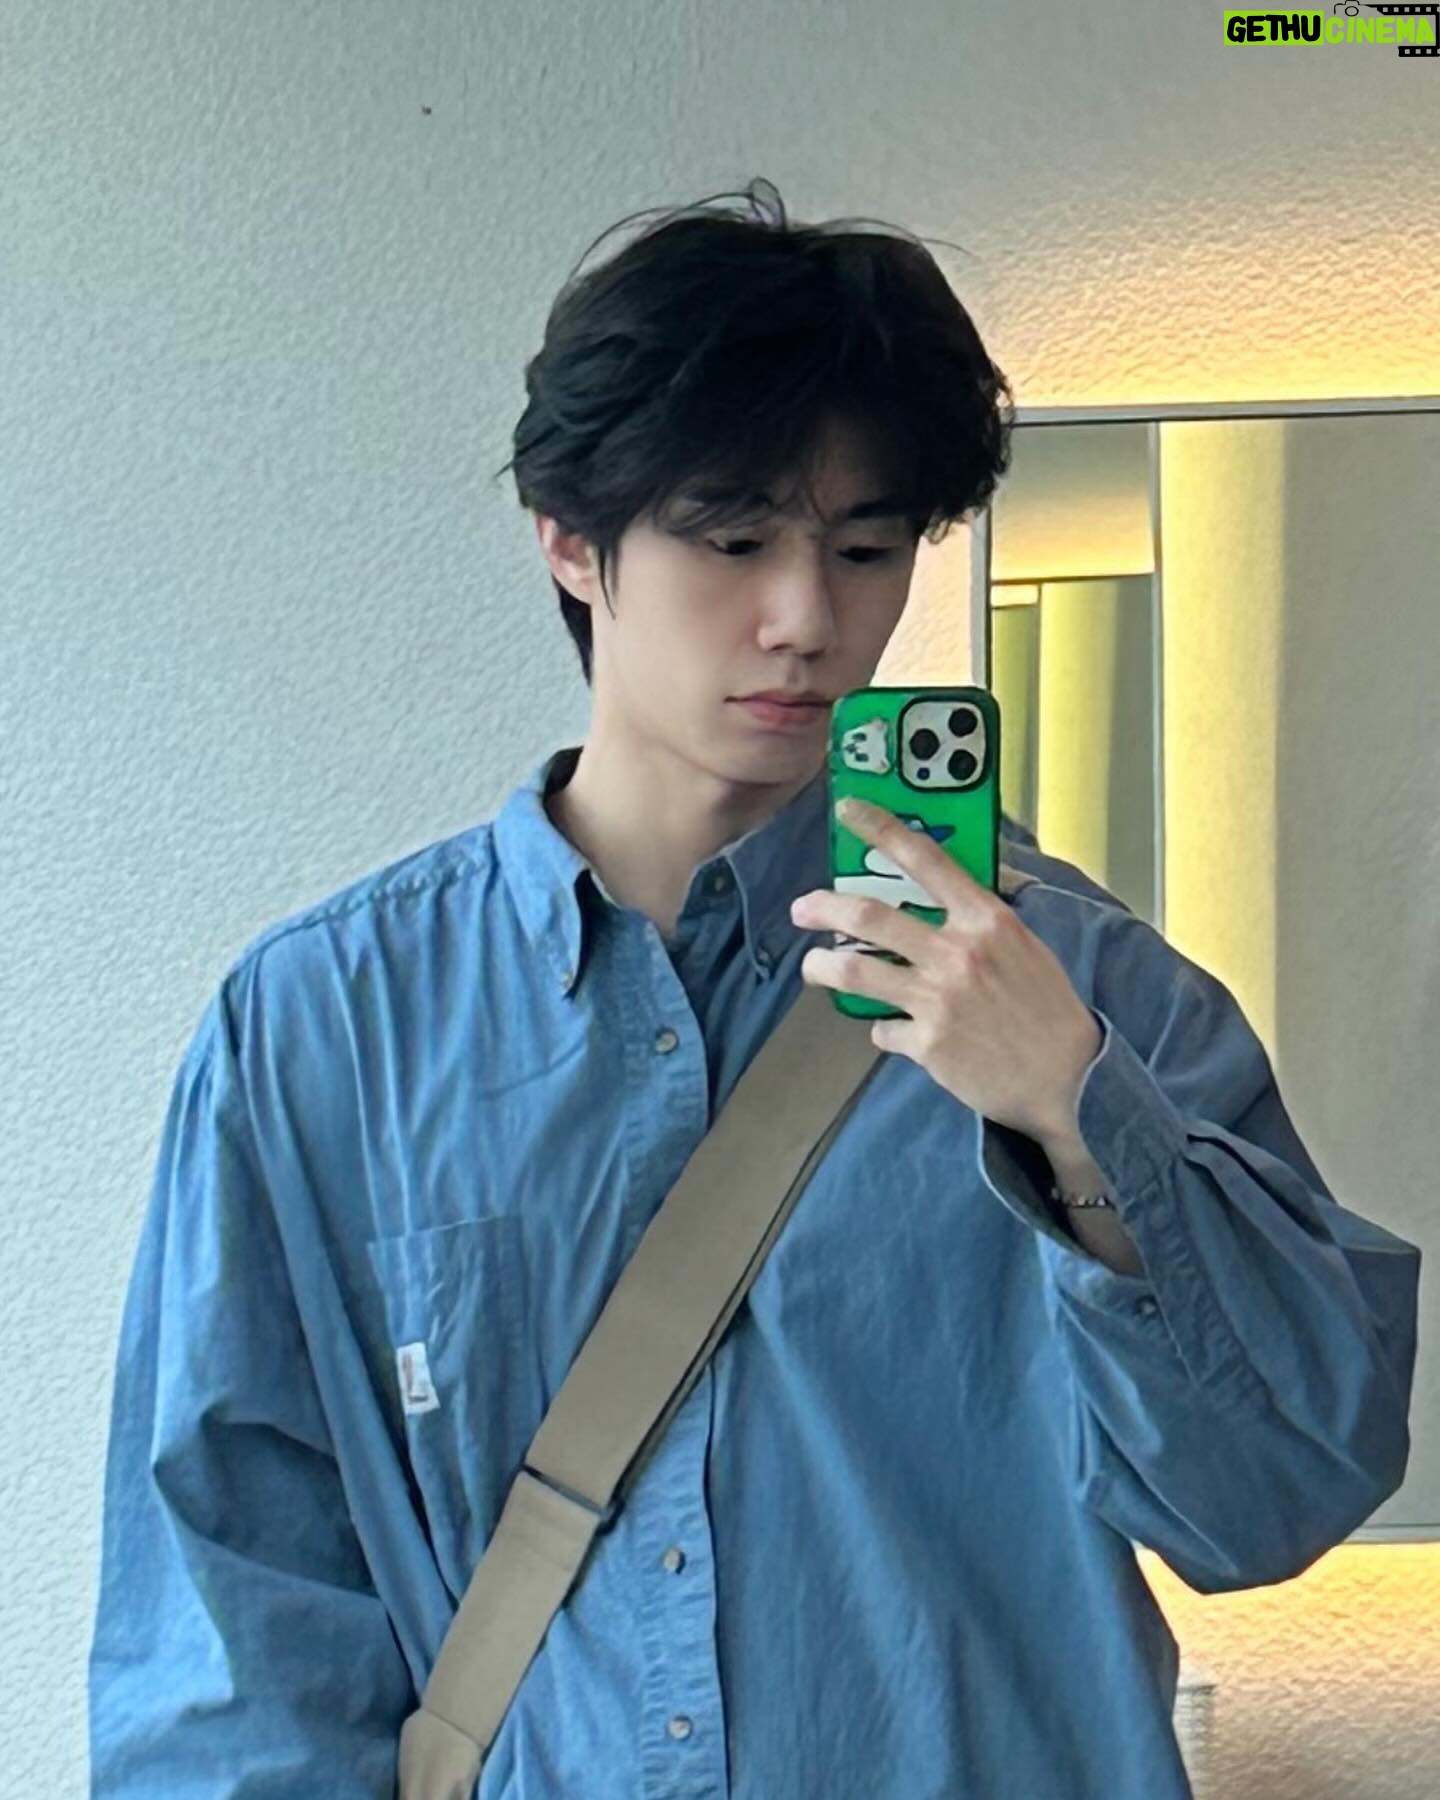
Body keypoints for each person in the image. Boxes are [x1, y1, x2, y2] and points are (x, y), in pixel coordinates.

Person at [88, 178, 1420, 1799]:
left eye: (865, 548)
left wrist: (1079, 1118)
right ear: (570, 539)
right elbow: (234, 1635)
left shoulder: (1080, 979)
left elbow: (1280, 1496)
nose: (807, 619)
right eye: (734, 542)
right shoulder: (324, 1031)